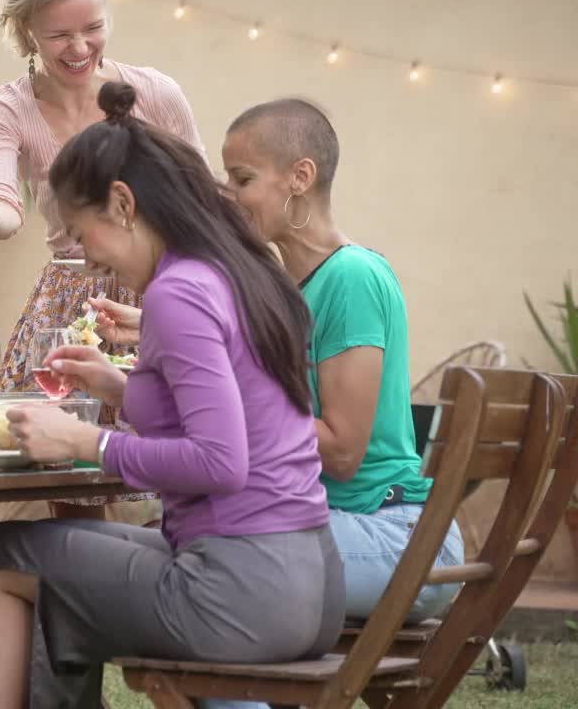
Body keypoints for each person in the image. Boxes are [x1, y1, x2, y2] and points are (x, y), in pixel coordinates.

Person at [0, 82, 345, 709]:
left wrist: (88, 442)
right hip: (310, 586)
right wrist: (114, 385)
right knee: (20, 555)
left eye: (80, 231)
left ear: (123, 205)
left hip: (236, 590)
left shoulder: (178, 292)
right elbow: (236, 417)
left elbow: (221, 461)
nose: (83, 255)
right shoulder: (241, 270)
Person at [93, 98, 464, 624]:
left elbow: (341, 451)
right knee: (175, 550)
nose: (230, 195)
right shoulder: (279, 288)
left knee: (206, 556)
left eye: (242, 178)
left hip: (395, 536)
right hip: (321, 523)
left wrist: (221, 397)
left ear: (300, 177)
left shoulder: (352, 278)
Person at [0, 0, 207, 519]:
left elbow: (201, 197)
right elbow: (6, 206)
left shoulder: (156, 93)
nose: (81, 47)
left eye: (93, 28)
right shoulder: (6, 109)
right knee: (67, 484)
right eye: (60, 35)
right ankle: (80, 591)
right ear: (26, 31)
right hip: (72, 304)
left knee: (176, 467)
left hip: (156, 292)